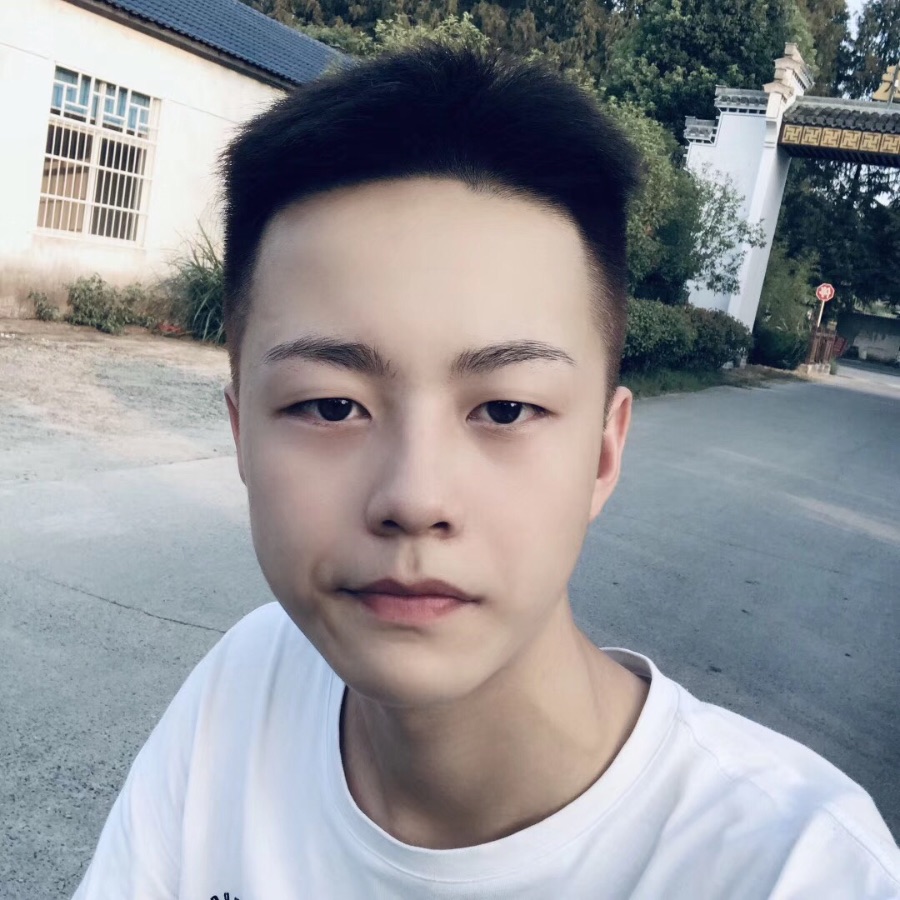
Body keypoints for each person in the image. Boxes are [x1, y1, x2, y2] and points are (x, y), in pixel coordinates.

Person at [73, 42, 899, 898]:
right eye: (331, 406)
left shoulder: (802, 871)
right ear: (242, 435)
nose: (415, 498)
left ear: (604, 453)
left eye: (504, 410)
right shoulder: (245, 689)